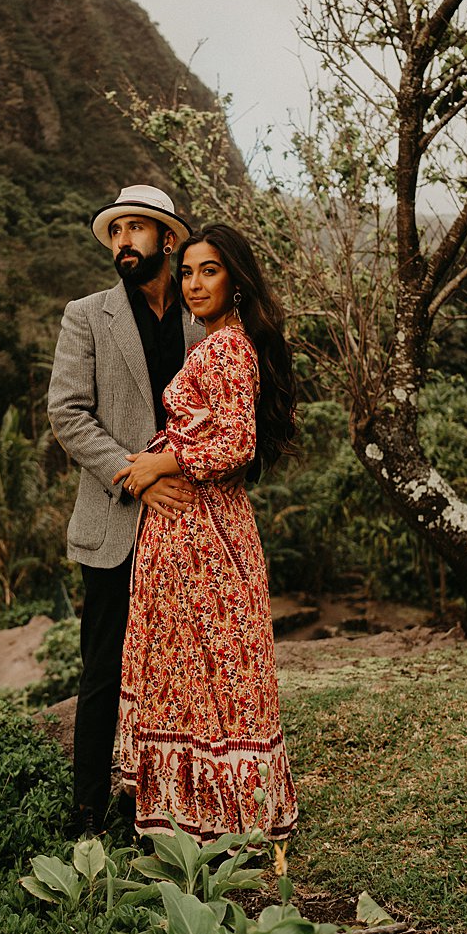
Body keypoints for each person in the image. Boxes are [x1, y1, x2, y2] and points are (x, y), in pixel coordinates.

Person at [113, 223, 298, 844]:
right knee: (200, 664)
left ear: (235, 280)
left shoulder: (225, 350)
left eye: (209, 271)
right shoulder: (220, 345)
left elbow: (235, 441)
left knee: (211, 661)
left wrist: (156, 463)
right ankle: (212, 810)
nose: (194, 284)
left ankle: (221, 812)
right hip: (195, 526)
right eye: (187, 272)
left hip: (204, 531)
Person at [47, 184, 205, 836]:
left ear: (167, 239)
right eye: (116, 232)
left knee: (182, 665)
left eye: (135, 229)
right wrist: (132, 472)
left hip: (190, 519)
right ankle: (87, 808)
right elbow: (67, 412)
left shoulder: (204, 321)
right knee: (103, 667)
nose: (123, 242)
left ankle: (169, 800)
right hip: (115, 520)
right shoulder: (86, 315)